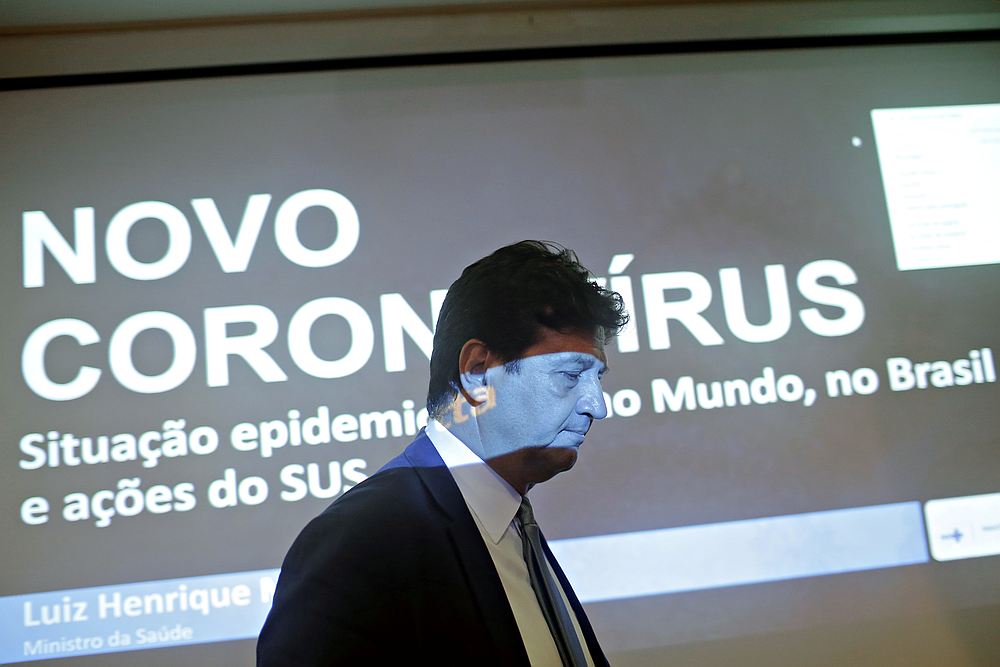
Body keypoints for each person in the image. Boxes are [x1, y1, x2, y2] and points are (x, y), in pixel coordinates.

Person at [257, 240, 628, 666]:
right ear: (476, 374)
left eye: (597, 379)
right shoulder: (360, 541)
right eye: (569, 375)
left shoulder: (512, 525)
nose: (596, 405)